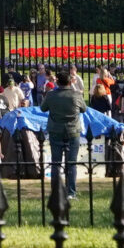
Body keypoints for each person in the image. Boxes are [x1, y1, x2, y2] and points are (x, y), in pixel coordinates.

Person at [44, 72, 87, 206]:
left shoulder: (51, 95)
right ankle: (71, 192)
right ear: (70, 82)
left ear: (57, 82)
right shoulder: (76, 95)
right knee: (71, 163)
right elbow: (84, 109)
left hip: (56, 130)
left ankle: (56, 192)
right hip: (72, 131)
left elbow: (43, 108)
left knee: (56, 163)